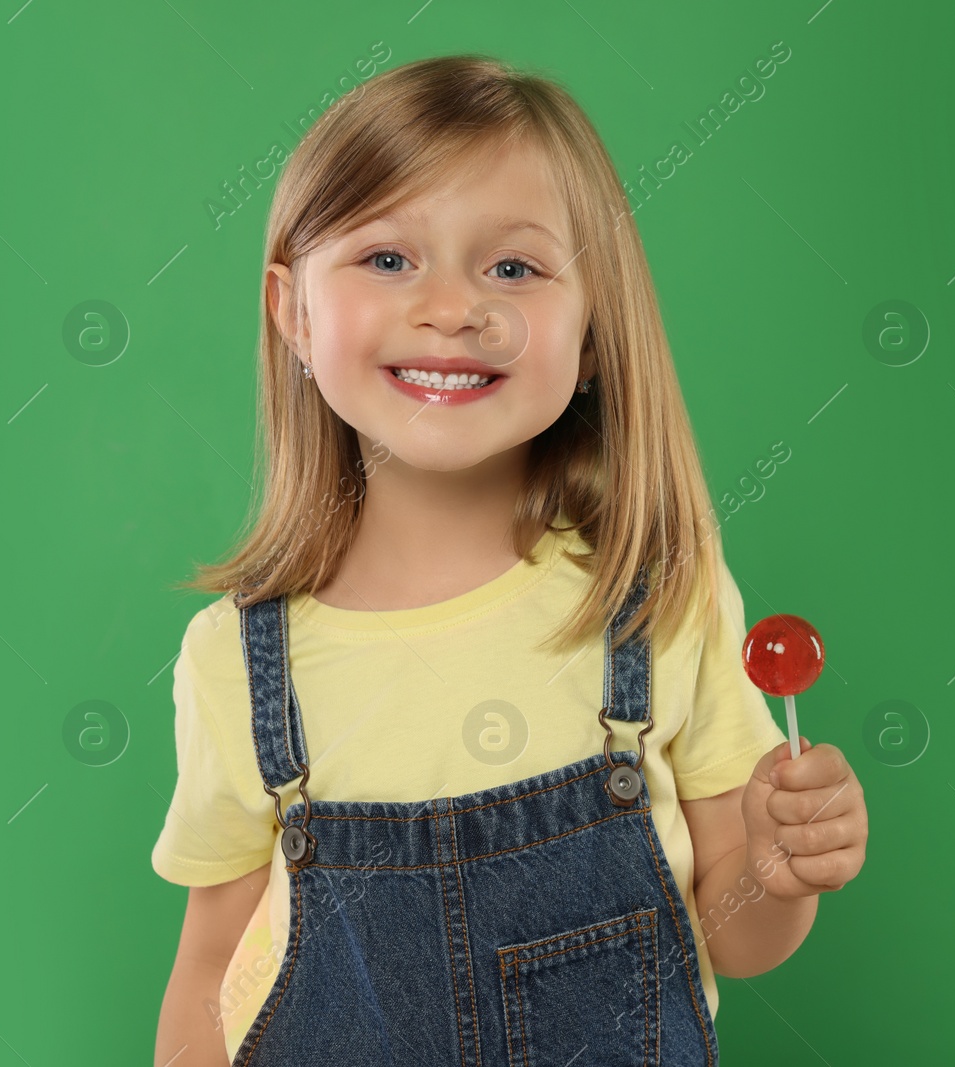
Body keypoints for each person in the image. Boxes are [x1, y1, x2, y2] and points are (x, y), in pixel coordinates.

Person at [150, 53, 869, 1067]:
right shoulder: (236, 660)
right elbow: (210, 973)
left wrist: (783, 868)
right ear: (296, 314)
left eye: (514, 267)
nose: (451, 307)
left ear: (589, 338)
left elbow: (734, 937)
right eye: (389, 259)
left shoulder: (659, 596)